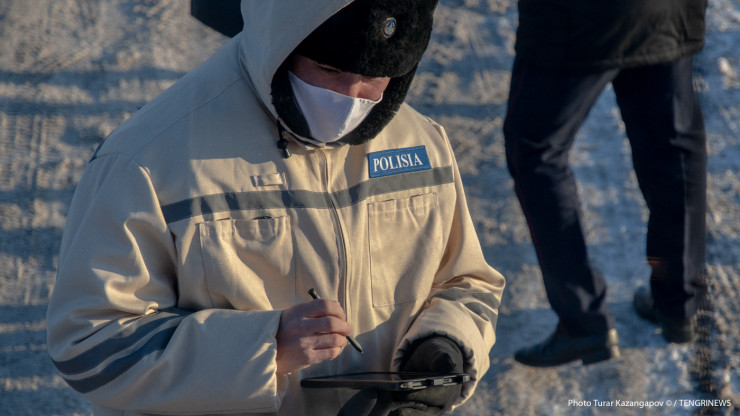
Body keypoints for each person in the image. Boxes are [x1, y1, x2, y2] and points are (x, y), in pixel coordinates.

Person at [45, 0, 506, 415]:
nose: (351, 96)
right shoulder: (148, 158)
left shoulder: (422, 143)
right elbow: (91, 344)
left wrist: (446, 343)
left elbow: (469, 282)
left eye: (373, 77)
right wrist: (264, 349)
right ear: (282, 42)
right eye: (328, 68)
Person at [503, 0, 708, 367]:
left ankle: (583, 319)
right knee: (672, 145)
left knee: (535, 150)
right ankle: (678, 302)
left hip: (578, 17)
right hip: (671, 8)